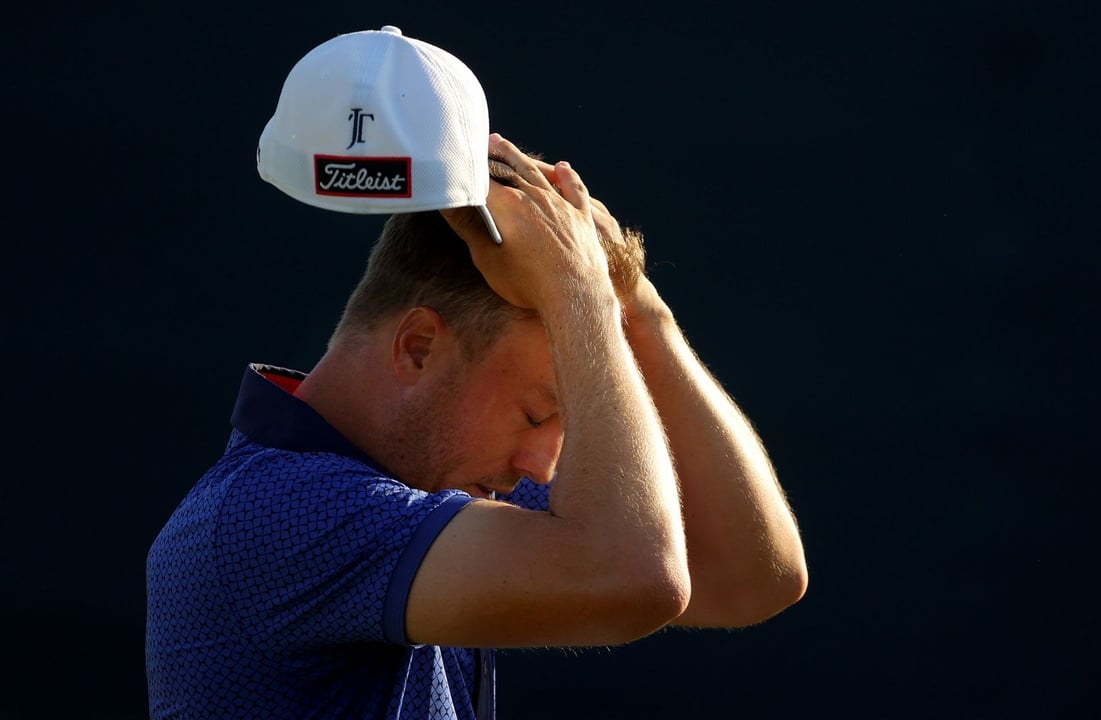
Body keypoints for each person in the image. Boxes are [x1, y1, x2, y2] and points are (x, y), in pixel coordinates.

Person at [145, 26, 807, 720]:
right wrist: (577, 294)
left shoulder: (415, 487)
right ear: (420, 348)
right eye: (536, 413)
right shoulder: (277, 512)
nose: (541, 467)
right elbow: (637, 577)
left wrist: (638, 309)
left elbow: (751, 576)